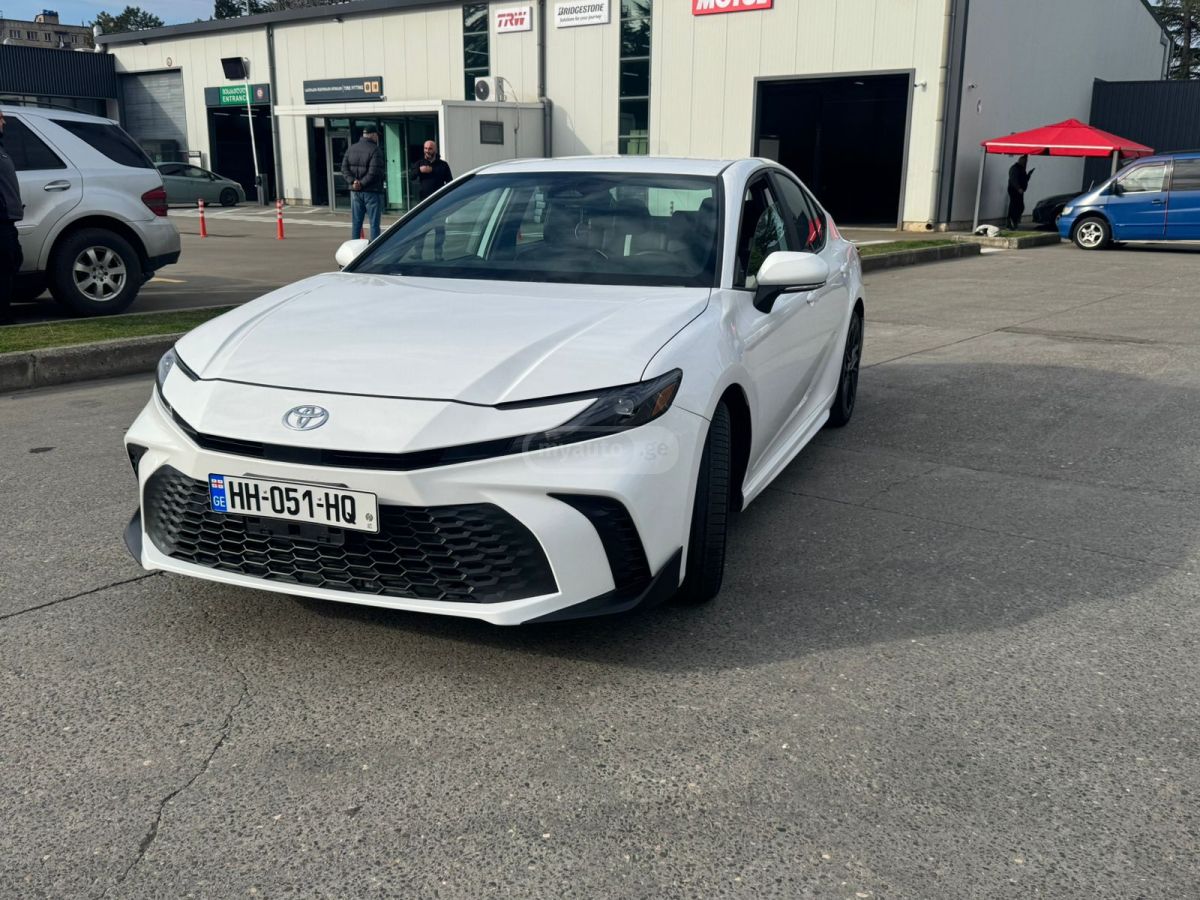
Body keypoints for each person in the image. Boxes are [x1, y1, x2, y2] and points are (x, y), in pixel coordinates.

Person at [0, 109, 25, 327]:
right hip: (1, 222)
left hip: (8, 221)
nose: (4, 121)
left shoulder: (2, 150)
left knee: (12, 261)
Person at [341, 125, 385, 241]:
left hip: (356, 192)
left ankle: (354, 246)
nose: (377, 138)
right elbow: (374, 172)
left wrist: (353, 182)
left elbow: (344, 169)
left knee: (356, 223)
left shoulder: (351, 148)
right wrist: (362, 183)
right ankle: (374, 249)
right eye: (376, 135)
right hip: (372, 191)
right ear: (373, 135)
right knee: (374, 224)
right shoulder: (375, 150)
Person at [411, 141, 453, 259]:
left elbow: (450, 182)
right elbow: (411, 176)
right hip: (423, 203)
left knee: (439, 230)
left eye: (430, 149)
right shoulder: (419, 163)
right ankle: (418, 253)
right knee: (420, 230)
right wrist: (420, 171)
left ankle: (438, 254)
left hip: (439, 203)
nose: (427, 151)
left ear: (435, 150)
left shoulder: (443, 165)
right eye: (425, 148)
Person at [1006, 154, 1034, 231]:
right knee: (1015, 207)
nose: (1026, 163)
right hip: (1015, 190)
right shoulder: (1015, 168)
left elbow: (1024, 179)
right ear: (1021, 161)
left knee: (1020, 207)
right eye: (1025, 161)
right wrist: (1018, 188)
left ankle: (1014, 222)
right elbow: (1013, 180)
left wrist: (1029, 175)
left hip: (1020, 191)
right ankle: (1011, 222)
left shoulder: (1022, 169)